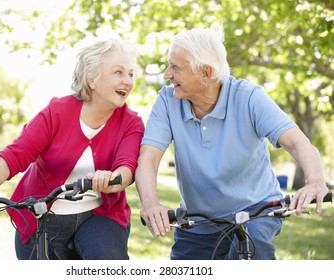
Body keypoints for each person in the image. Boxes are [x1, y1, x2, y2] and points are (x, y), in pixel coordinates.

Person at [135, 26, 329, 260]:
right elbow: (148, 158)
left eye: (175, 67)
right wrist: (150, 203)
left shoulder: (248, 97)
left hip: (257, 211)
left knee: (250, 249)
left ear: (205, 73)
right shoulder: (167, 101)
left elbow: (298, 143)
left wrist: (316, 182)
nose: (167, 74)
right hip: (199, 220)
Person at [0, 35, 145, 260]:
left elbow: (127, 167)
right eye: (118, 72)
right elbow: (15, 155)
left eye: (131, 74)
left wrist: (111, 180)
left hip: (99, 216)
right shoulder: (56, 113)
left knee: (106, 260)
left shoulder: (131, 123)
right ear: (91, 79)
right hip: (40, 216)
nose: (128, 81)